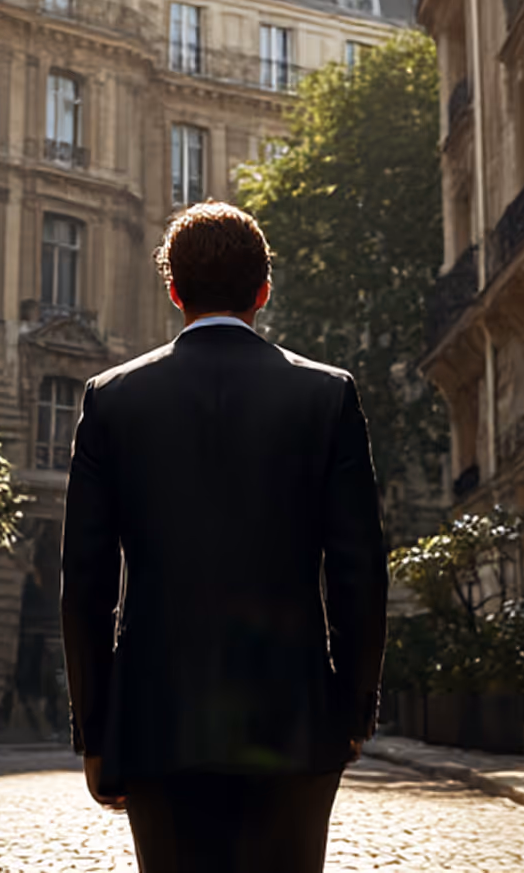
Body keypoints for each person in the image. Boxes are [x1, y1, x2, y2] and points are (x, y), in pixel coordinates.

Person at [61, 200, 388, 873]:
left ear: (174, 292)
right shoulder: (327, 396)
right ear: (263, 291)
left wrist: (96, 732)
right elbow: (358, 571)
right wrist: (352, 712)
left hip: (158, 720)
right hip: (294, 720)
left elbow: (85, 585)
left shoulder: (111, 399)